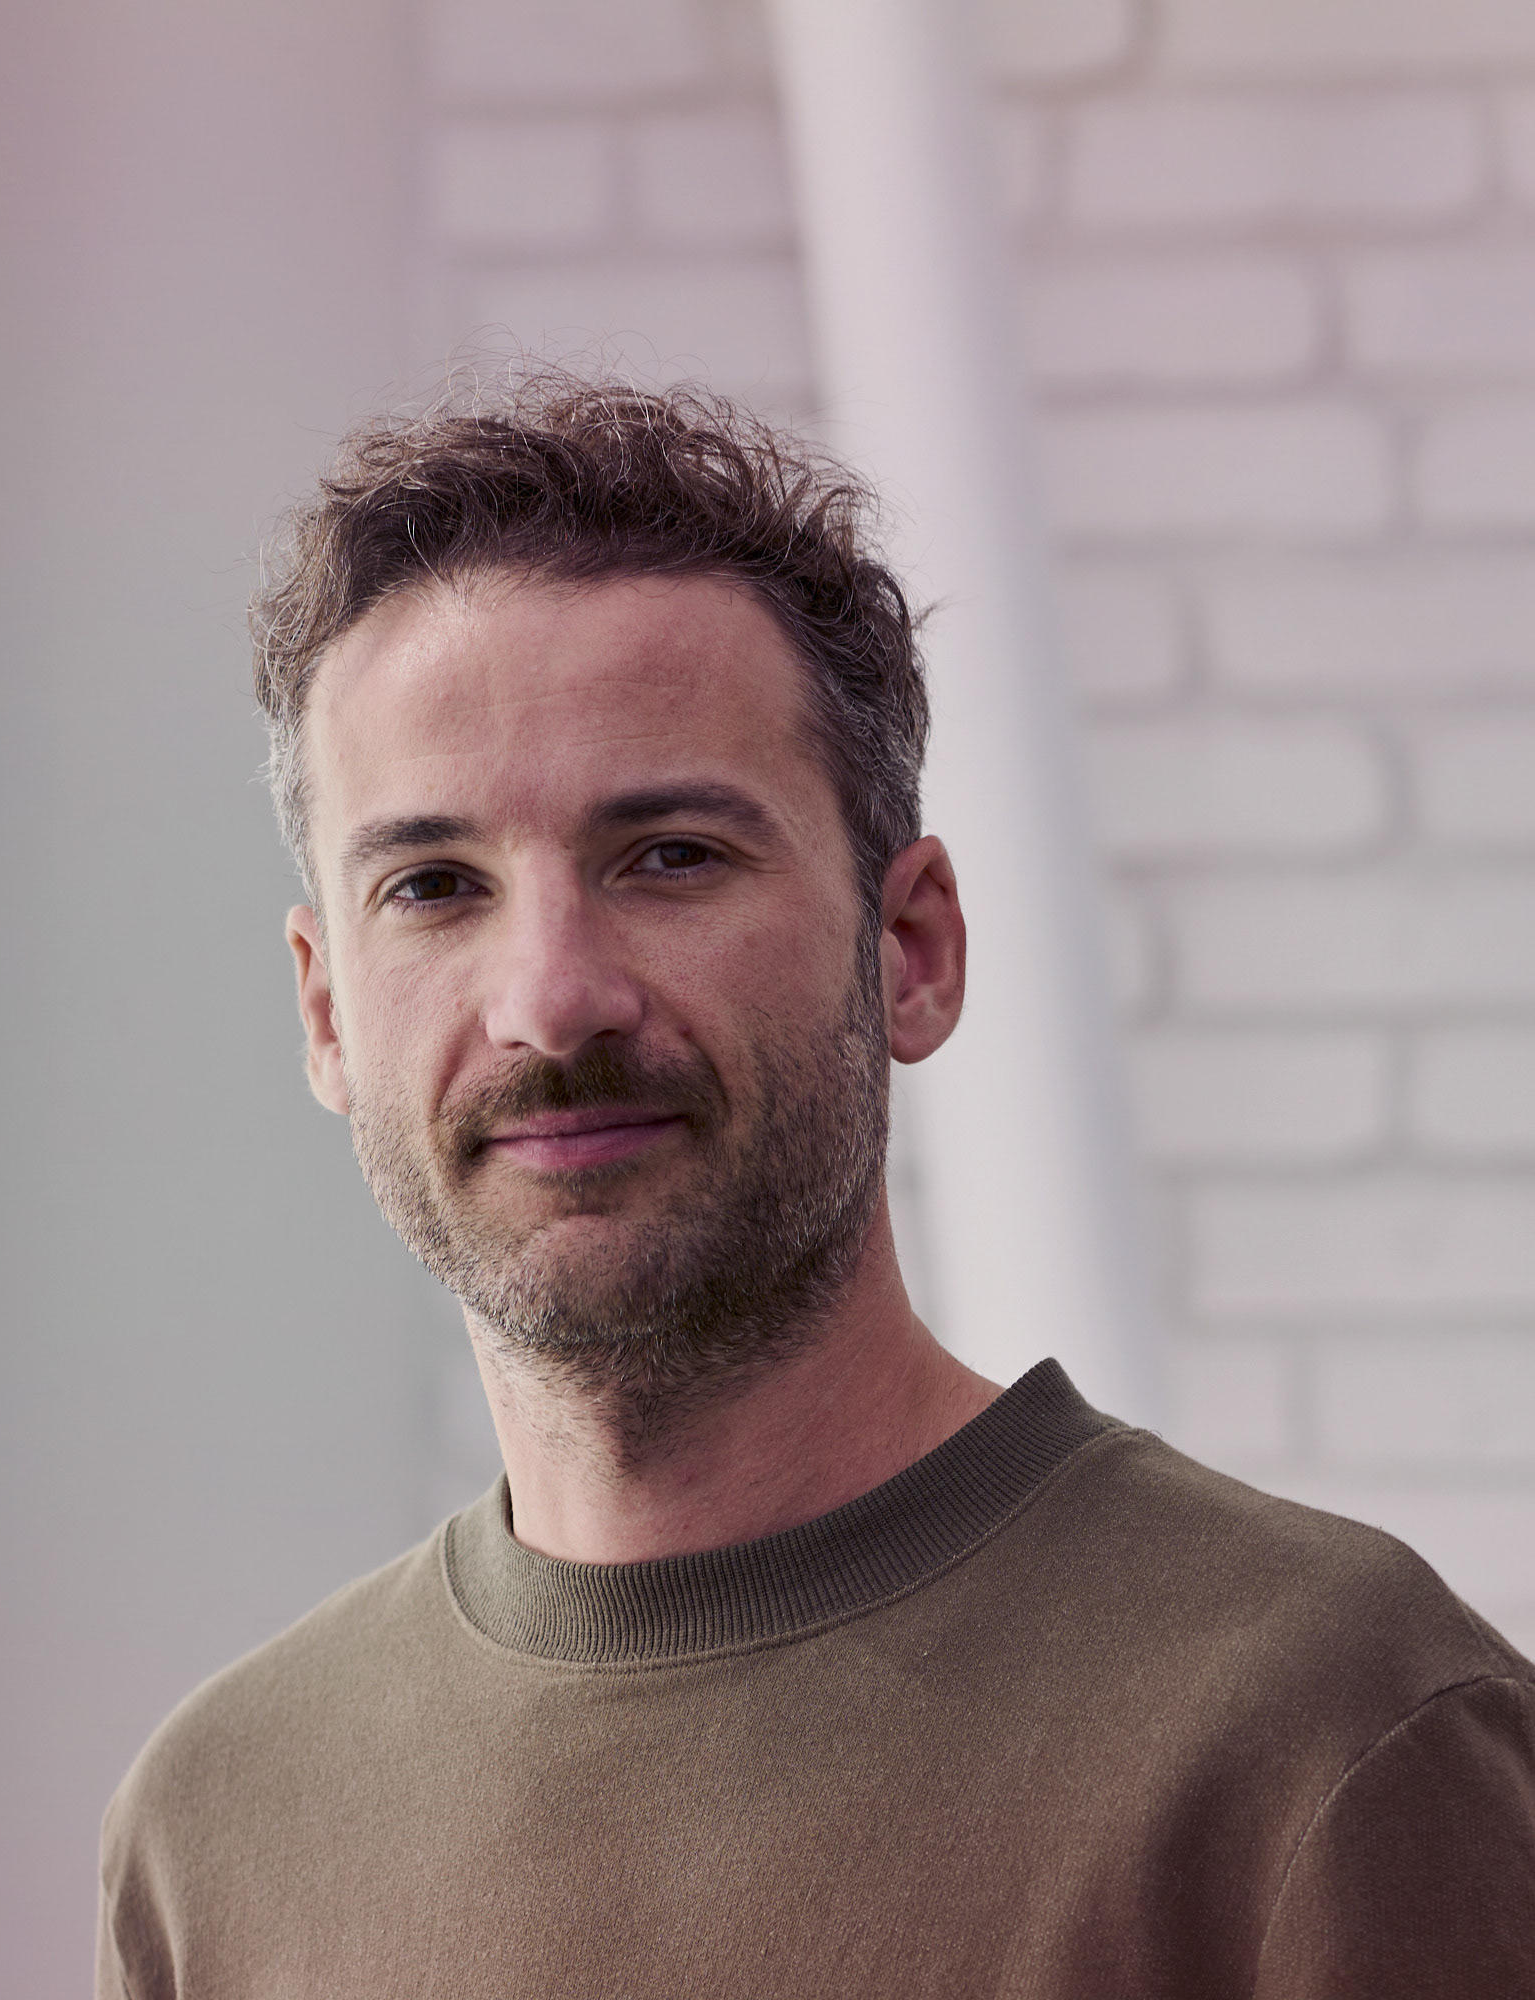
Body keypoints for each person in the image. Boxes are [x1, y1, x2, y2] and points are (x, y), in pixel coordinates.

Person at [97, 374, 1535, 1999]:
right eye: (433, 886)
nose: (551, 1002)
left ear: (907, 950)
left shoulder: (1330, 1734)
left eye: (669, 856)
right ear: (324, 1012)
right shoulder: (215, 1830)